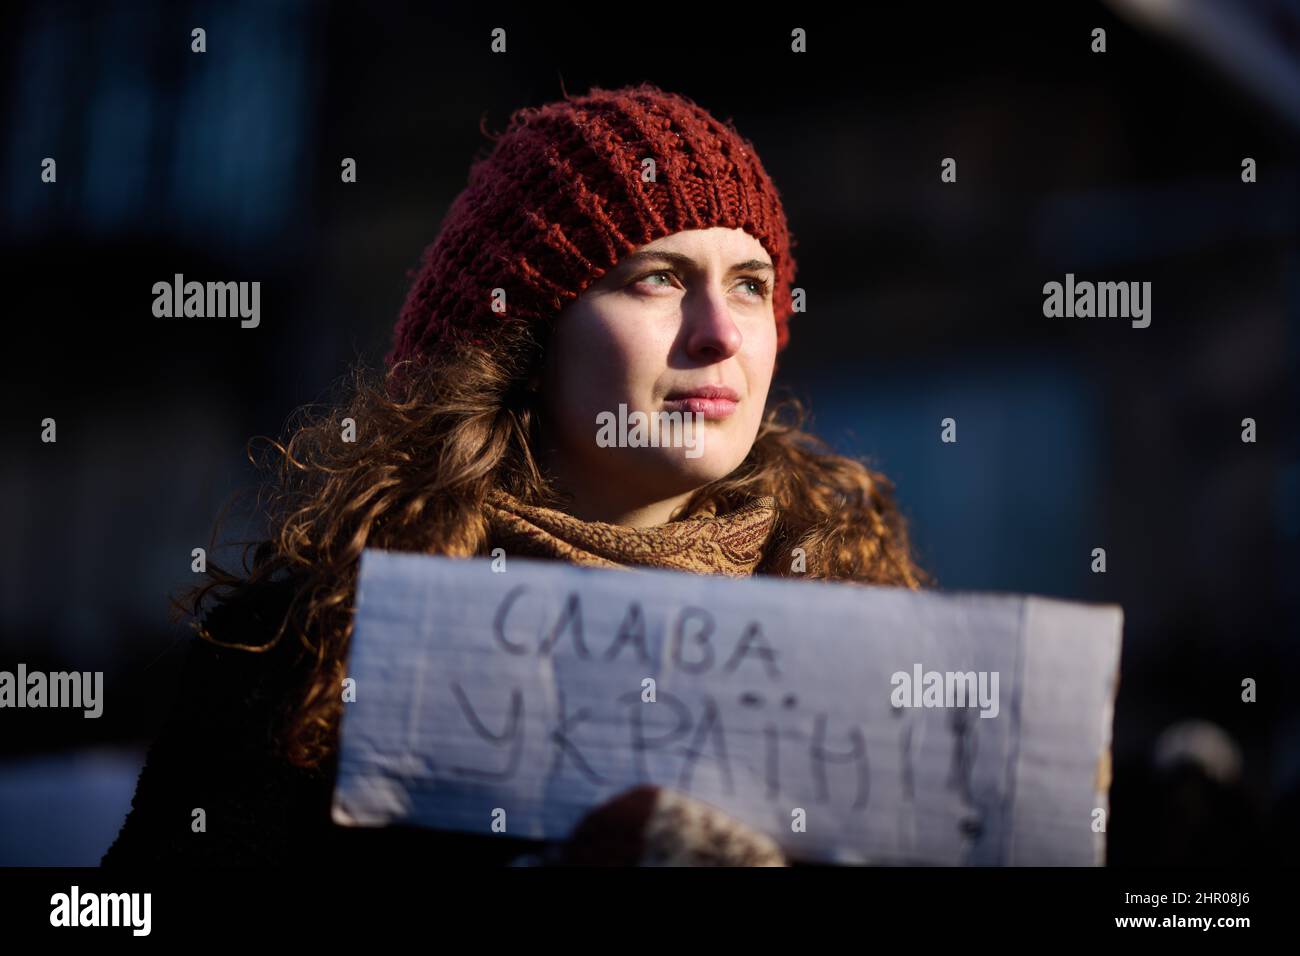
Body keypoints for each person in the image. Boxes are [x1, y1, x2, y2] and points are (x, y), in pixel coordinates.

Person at [102, 82, 931, 867]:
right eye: (659, 279)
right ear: (525, 342)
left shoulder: (860, 627)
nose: (719, 332)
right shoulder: (314, 639)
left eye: (750, 286)